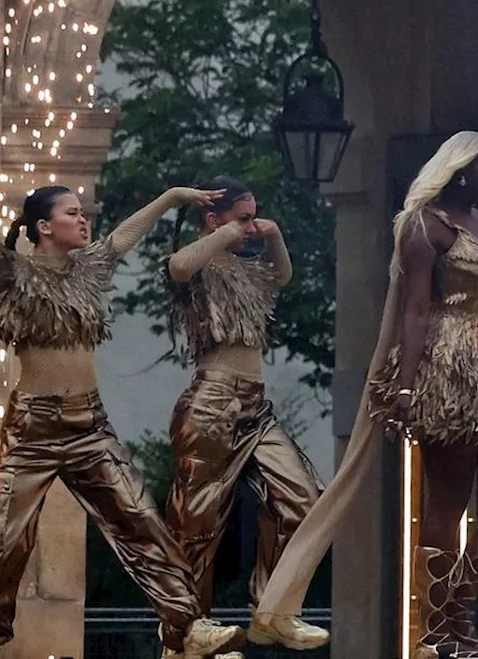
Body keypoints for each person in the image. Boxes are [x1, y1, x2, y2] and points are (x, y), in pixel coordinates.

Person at [248, 131, 478, 659]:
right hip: (444, 373)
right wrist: (406, 384)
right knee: (447, 502)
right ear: (461, 170)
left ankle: (456, 605)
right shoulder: (426, 228)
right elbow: (415, 310)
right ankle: (440, 632)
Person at [0, 172, 245, 659]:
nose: (83, 220)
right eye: (72, 213)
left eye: (83, 213)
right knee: (2, 544)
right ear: (43, 226)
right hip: (32, 430)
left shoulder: (87, 269)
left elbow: (123, 235)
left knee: (142, 521)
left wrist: (171, 197)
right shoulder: (13, 274)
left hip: (89, 427)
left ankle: (189, 628)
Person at [161, 176, 326, 651]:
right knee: (196, 522)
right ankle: (186, 634)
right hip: (212, 402)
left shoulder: (247, 270)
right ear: (214, 220)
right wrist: (226, 232)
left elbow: (283, 276)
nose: (251, 226)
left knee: (304, 499)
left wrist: (271, 235)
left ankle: (273, 610)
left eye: (254, 216)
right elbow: (178, 265)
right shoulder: (201, 263)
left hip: (256, 406)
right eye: (243, 217)